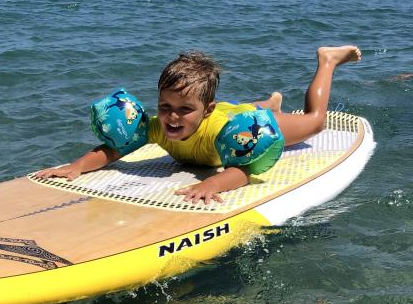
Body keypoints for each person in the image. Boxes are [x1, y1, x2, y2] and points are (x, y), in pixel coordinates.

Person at [35, 45, 361, 205]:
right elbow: (113, 150)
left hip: (245, 124)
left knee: (314, 122)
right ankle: (269, 102)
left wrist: (212, 186)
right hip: (230, 111)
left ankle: (327, 60)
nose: (172, 117)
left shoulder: (222, 131)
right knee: (242, 110)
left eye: (184, 110)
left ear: (205, 110)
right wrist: (76, 167)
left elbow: (243, 170)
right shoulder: (156, 127)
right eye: (165, 106)